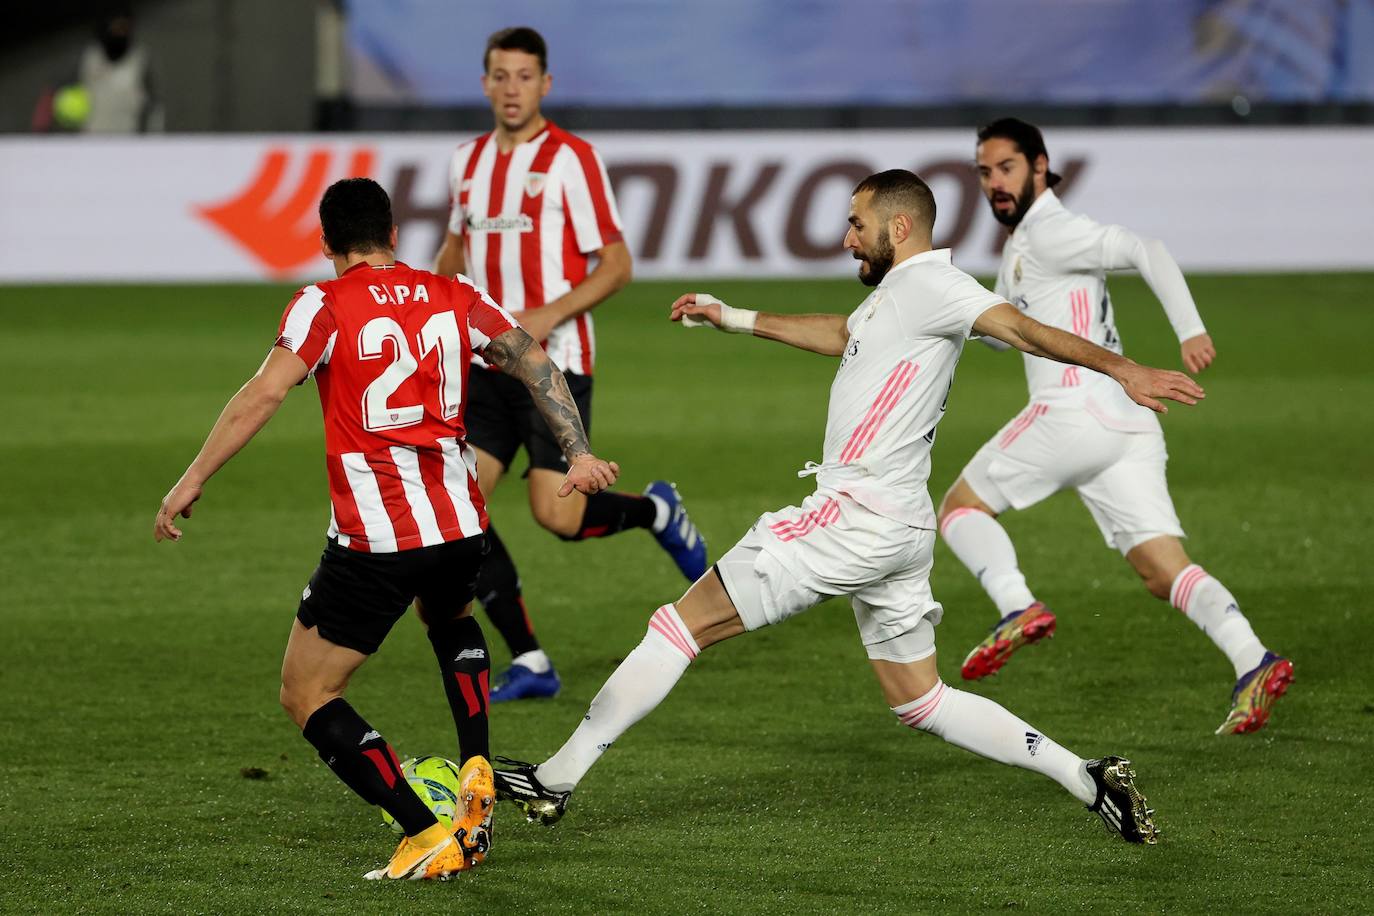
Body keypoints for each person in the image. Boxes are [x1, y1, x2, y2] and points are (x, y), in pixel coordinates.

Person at [492, 170, 1207, 844]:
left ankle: (554, 778)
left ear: (899, 226)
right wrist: (733, 316)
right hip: (896, 527)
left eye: (855, 223)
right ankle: (1085, 777)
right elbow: (843, 335)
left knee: (679, 626)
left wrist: (1123, 368)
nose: (845, 238)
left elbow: (1020, 327)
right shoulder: (898, 294)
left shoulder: (937, 286)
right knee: (921, 701)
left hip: (855, 517)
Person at [154, 178, 619, 880]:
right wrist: (577, 453)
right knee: (452, 618)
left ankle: (425, 831)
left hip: (377, 540)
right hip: (461, 523)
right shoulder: (453, 292)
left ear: (325, 242)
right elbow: (532, 359)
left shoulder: (324, 302)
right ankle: (477, 765)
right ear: (394, 235)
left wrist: (193, 477)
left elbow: (267, 391)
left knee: (307, 693)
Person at [937, 118, 1292, 735]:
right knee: (1162, 568)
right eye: (985, 172)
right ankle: (1251, 658)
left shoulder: (1054, 230)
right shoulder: (1024, 242)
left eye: (1007, 168)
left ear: (1040, 167)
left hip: (1075, 408)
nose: (995, 182)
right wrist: (953, 322)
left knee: (960, 509)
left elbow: (1144, 250)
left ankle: (1016, 605)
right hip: (1126, 425)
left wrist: (1190, 329)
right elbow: (1006, 331)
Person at [433, 26, 706, 703]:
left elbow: (617, 265)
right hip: (483, 370)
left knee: (556, 517)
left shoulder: (571, 160)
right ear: (485, 83)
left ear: (545, 85)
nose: (512, 88)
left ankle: (654, 513)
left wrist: (549, 314)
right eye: (500, 75)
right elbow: (454, 250)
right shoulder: (466, 161)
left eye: (525, 76)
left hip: (557, 364)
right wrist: (435, 312)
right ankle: (530, 659)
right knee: (457, 505)